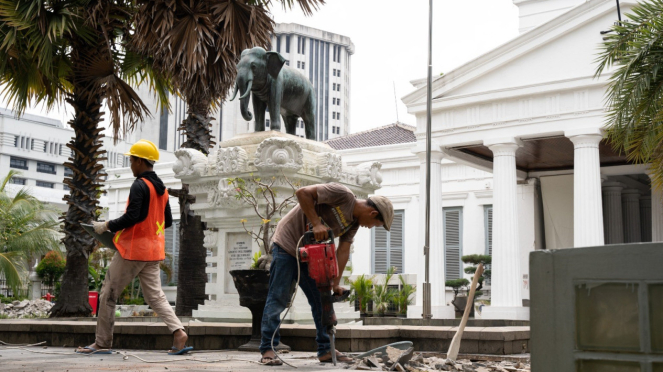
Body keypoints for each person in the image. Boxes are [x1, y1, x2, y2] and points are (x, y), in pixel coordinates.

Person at [76, 139, 191, 355]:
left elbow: (133, 216)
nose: (130, 164)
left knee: (108, 293)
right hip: (154, 252)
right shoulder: (162, 190)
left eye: (132, 160)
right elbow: (166, 222)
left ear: (140, 161)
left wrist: (106, 226)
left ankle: (102, 343)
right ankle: (179, 332)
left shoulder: (139, 185)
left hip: (133, 252)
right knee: (155, 297)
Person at [259, 183, 394, 365]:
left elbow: (343, 251)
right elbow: (302, 193)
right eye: (375, 225)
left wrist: (335, 283)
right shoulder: (343, 195)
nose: (370, 227)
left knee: (322, 301)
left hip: (311, 254)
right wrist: (316, 223)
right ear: (373, 214)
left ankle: (326, 350)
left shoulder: (353, 225)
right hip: (288, 244)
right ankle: (268, 348)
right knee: (278, 298)